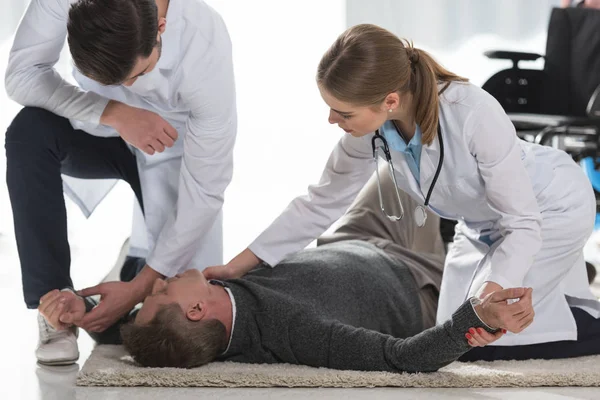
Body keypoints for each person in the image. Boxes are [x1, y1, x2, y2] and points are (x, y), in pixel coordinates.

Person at [204, 24, 600, 360]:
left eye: (342, 113)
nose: (331, 120)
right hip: (480, 224)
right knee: (452, 335)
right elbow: (319, 203)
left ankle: (583, 311)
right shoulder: (373, 128)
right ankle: (556, 288)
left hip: (548, 209)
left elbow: (522, 222)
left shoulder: (473, 114)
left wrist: (490, 295)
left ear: (390, 100)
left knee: (484, 339)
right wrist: (236, 266)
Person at [37, 175, 534, 370]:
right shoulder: (293, 333)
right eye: (162, 294)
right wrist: (474, 319)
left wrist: (80, 312)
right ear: (194, 309)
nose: (159, 282)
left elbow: (129, 336)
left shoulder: (205, 311)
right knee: (507, 234)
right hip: (418, 278)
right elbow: (401, 358)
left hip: (355, 234)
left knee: (408, 169)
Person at [4, 0, 236, 365]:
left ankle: (130, 267)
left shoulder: (204, 42)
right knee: (28, 133)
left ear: (160, 27)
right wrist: (112, 111)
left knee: (173, 325)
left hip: (175, 148)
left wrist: (142, 286)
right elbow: (21, 75)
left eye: (137, 75)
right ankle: (55, 306)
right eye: (113, 82)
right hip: (98, 131)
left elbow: (207, 186)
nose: (128, 87)